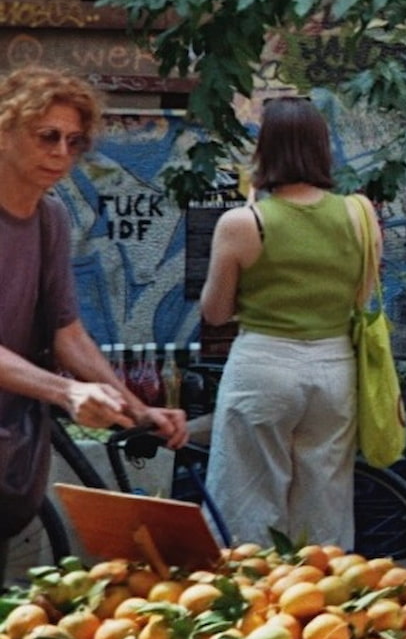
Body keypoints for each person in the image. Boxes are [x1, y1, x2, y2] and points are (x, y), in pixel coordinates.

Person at [0, 67, 187, 551]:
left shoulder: (50, 218)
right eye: (47, 136)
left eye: (74, 141)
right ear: (5, 131)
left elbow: (67, 332)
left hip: (12, 448)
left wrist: (137, 409)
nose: (61, 153)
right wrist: (66, 390)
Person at [201, 96, 371, 548]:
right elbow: (364, 295)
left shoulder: (243, 223)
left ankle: (246, 588)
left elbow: (215, 312)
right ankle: (323, 588)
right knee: (325, 505)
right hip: (335, 367)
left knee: (246, 503)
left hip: (263, 365)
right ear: (322, 148)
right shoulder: (359, 215)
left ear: (265, 150)